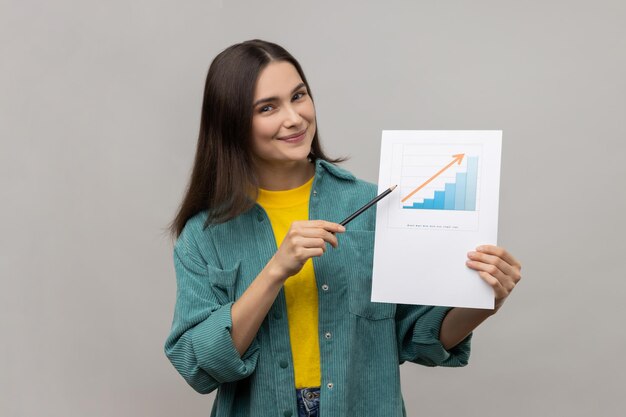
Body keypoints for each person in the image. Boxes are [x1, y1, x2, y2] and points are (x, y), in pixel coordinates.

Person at [164, 39, 522, 417]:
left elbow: (417, 338)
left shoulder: (373, 206)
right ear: (232, 123)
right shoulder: (204, 235)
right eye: (268, 107)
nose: (294, 118)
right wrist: (274, 272)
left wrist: (484, 300)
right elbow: (198, 365)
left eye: (298, 96)